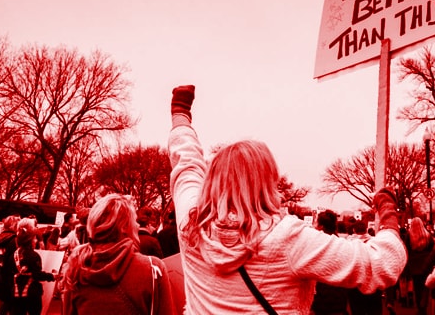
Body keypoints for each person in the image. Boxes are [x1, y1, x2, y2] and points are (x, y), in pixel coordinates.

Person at [167, 84, 406, 314]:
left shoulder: (192, 224)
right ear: (266, 182)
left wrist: (180, 115)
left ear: (213, 179)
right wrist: (387, 212)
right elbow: (381, 264)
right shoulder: (286, 237)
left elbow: (186, 163)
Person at [61, 193, 175, 315]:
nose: (137, 225)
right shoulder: (153, 268)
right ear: (124, 227)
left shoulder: (75, 268)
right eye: (134, 220)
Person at [310, 210, 349, 315]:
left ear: (321, 227)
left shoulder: (316, 246)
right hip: (340, 297)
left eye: (316, 223)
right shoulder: (343, 244)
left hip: (322, 298)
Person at [13, 223, 56, 315]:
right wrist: (51, 276)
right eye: (35, 238)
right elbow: (37, 275)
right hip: (32, 292)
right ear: (30, 240)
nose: (36, 240)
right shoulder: (34, 256)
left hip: (16, 290)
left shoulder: (14, 254)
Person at [346, 222, 383, 315]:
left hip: (355, 283)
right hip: (374, 282)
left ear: (354, 230)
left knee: (357, 311)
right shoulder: (375, 242)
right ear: (366, 230)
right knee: (374, 311)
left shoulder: (349, 243)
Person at [403, 217, 435, 315]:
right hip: (426, 262)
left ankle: (420, 307)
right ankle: (424, 306)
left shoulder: (409, 235)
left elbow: (406, 249)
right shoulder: (427, 235)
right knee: (426, 286)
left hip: (414, 263)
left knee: (417, 287)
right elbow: (432, 249)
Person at [0, 214, 20, 315]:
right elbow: (14, 259)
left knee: (1, 302)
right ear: (14, 226)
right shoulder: (14, 240)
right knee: (8, 302)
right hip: (9, 275)